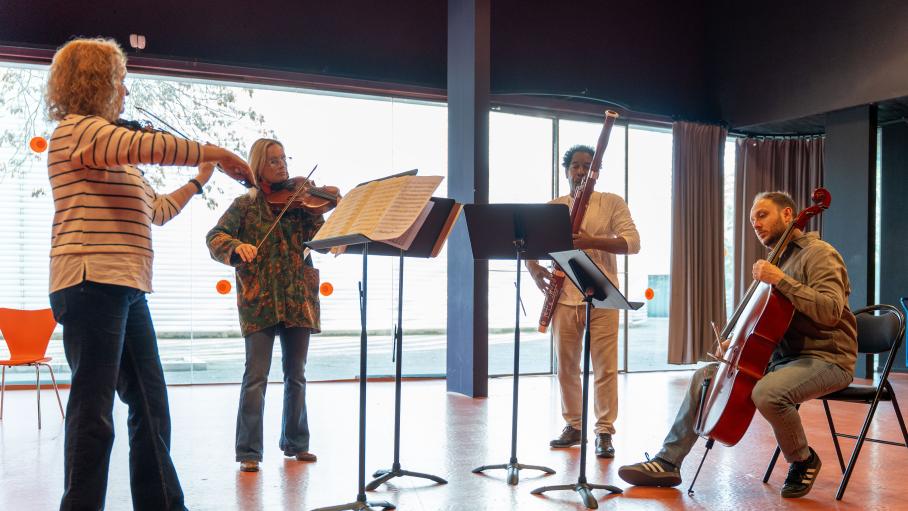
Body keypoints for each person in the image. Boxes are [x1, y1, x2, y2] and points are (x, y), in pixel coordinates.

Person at [45, 38, 252, 511]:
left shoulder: (117, 160)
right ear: (95, 83)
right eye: (119, 81)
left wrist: (199, 181)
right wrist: (218, 151)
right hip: (90, 281)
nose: (125, 91)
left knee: (151, 404)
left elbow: (156, 211)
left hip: (126, 287)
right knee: (94, 413)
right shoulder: (77, 132)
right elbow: (146, 145)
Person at [618, 191, 857, 499]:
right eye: (752, 220)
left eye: (762, 215)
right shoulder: (778, 261)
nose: (755, 224)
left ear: (788, 215)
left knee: (768, 392)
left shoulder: (819, 254)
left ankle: (803, 460)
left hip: (828, 358)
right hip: (785, 359)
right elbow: (769, 322)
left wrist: (781, 280)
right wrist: (737, 343)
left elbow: (831, 310)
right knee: (704, 377)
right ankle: (668, 461)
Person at [206, 138, 324, 473]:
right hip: (259, 299)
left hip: (297, 297)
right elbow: (215, 237)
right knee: (256, 376)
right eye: (273, 160)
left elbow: (321, 238)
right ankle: (249, 451)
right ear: (258, 166)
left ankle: (296, 443)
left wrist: (318, 208)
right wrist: (236, 247)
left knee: (296, 374)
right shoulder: (245, 205)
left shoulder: (301, 204)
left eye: (283, 159)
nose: (282, 165)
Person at [526, 144, 640, 458]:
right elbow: (531, 245)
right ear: (566, 171)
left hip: (602, 296)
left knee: (605, 368)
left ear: (596, 173)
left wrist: (591, 241)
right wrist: (534, 269)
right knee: (566, 367)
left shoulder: (611, 202)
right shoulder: (554, 207)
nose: (580, 171)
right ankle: (573, 425)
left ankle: (604, 431)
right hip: (563, 297)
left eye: (587, 166)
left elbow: (633, 243)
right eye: (575, 165)